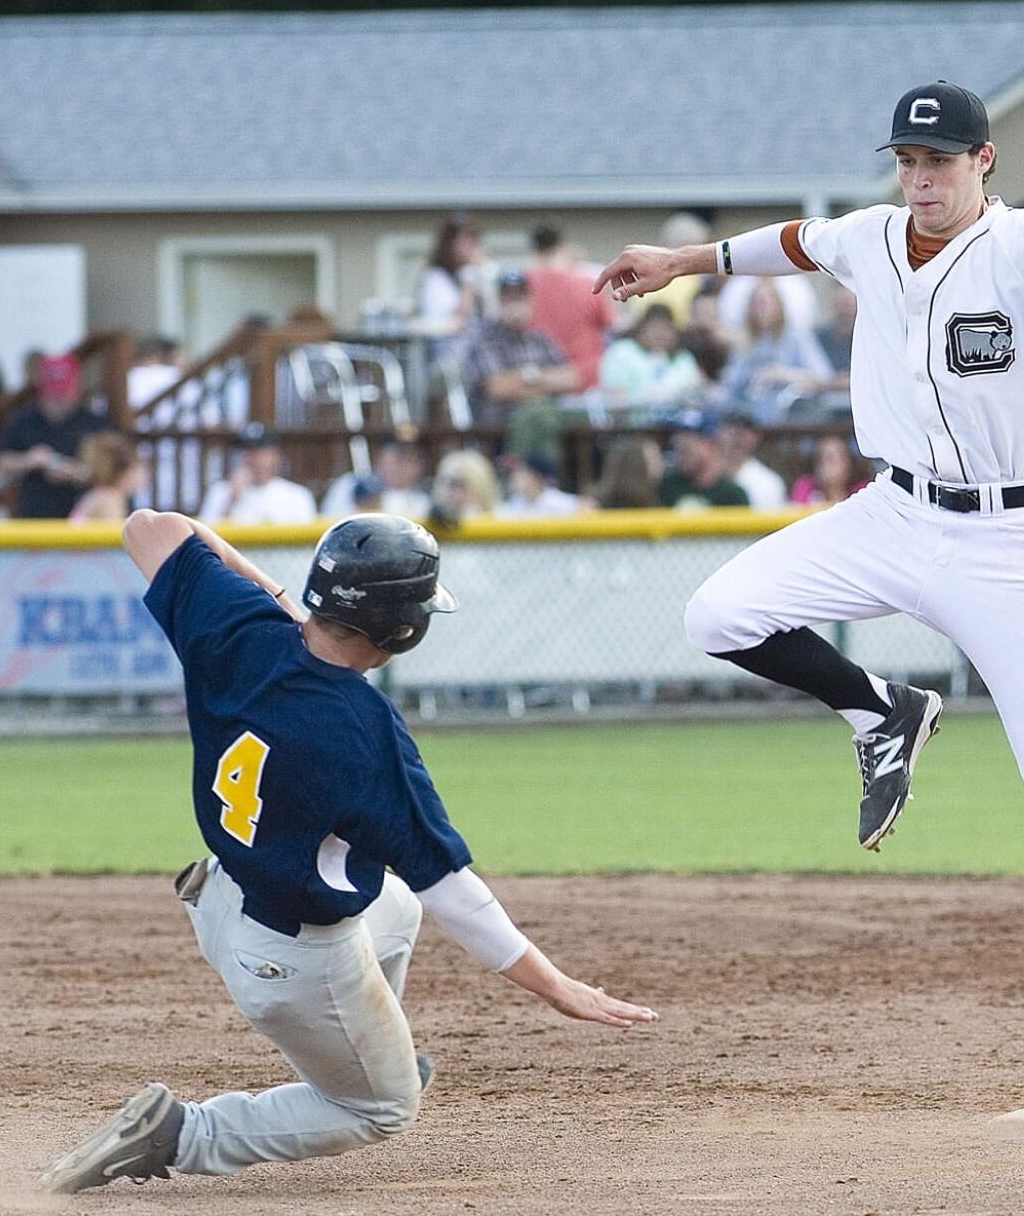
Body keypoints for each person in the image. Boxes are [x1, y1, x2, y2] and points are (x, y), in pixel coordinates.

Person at [594, 74, 1024, 1096]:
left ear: (981, 163)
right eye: (907, 162)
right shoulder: (871, 234)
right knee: (717, 612)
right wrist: (677, 262)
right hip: (893, 513)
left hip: (1011, 541)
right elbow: (793, 240)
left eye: (937, 161)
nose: (918, 179)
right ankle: (881, 709)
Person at [37, 511, 657, 1194]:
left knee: (392, 907)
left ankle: (364, 1046)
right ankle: (183, 1131)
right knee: (382, 1106)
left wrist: (267, 595)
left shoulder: (236, 624)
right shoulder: (366, 733)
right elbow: (453, 890)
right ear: (404, 630)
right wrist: (558, 986)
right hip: (293, 960)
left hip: (221, 896)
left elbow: (150, 527)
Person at [458, 270, 578, 458]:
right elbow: (498, 387)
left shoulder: (540, 339)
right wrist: (546, 385)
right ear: (499, 301)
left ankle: (542, 481)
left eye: (520, 297)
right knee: (540, 414)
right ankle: (532, 480)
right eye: (508, 298)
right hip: (498, 432)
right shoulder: (484, 339)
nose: (514, 304)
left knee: (552, 417)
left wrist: (530, 377)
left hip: (546, 422)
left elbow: (571, 379)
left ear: (530, 300)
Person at [0, 354, 111, 518]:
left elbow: (118, 472)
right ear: (41, 389)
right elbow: (0, 461)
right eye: (53, 392)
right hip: (33, 519)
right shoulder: (23, 420)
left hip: (83, 525)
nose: (58, 398)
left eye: (64, 392)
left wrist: (75, 472)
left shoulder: (95, 423)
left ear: (77, 389)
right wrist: (28, 460)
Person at [721, 278, 838, 423]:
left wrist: (783, 374)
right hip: (750, 422)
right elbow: (730, 386)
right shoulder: (746, 343)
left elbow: (824, 378)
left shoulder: (796, 338)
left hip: (792, 421)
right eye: (756, 304)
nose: (761, 309)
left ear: (778, 305)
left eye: (765, 303)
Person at [526, 220, 615, 391]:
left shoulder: (523, 285)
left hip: (540, 378)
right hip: (585, 376)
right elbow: (611, 325)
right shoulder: (588, 283)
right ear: (563, 244)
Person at [198, 423, 317, 525]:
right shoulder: (220, 492)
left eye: (258, 452)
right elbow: (207, 541)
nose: (250, 458)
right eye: (245, 451)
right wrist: (231, 500)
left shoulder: (297, 496)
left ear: (274, 456)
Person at [598, 304, 702, 412]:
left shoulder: (683, 359)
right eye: (654, 328)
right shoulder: (622, 352)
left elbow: (694, 391)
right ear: (642, 329)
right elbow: (614, 394)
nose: (659, 335)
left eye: (665, 329)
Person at [322, 434, 432, 522]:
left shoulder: (427, 496)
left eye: (413, 460)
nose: (405, 466)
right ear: (379, 458)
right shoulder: (351, 486)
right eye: (399, 458)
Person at [414, 214, 489, 341]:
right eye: (464, 241)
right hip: (445, 350)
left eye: (473, 241)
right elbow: (458, 320)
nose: (471, 247)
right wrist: (469, 276)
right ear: (449, 244)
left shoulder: (472, 274)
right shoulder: (435, 278)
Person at [658, 414, 749, 509]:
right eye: (679, 439)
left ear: (711, 445)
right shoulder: (667, 487)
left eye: (690, 442)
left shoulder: (733, 495)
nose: (681, 444)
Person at [716, 411, 788, 509]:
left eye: (743, 432)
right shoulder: (704, 476)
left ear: (756, 437)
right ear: (719, 433)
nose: (736, 437)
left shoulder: (768, 482)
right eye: (731, 430)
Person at [68, 433, 146, 523]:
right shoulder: (111, 499)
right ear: (124, 472)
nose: (143, 477)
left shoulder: (97, 494)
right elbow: (114, 536)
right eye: (138, 469)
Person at [790, 434, 869, 506]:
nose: (830, 465)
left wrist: (836, 492)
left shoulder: (863, 489)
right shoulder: (805, 486)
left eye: (838, 458)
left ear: (849, 462)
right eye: (826, 459)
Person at [592, 434, 665, 510]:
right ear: (635, 465)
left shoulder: (656, 497)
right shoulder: (594, 508)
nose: (661, 464)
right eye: (655, 458)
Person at [498, 452, 582, 517]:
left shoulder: (552, 500)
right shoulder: (516, 502)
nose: (515, 476)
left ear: (536, 478)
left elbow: (586, 506)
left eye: (521, 472)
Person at [429, 449, 500, 520]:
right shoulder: (426, 519)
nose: (448, 492)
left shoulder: (502, 520)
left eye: (459, 485)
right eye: (443, 482)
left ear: (480, 488)